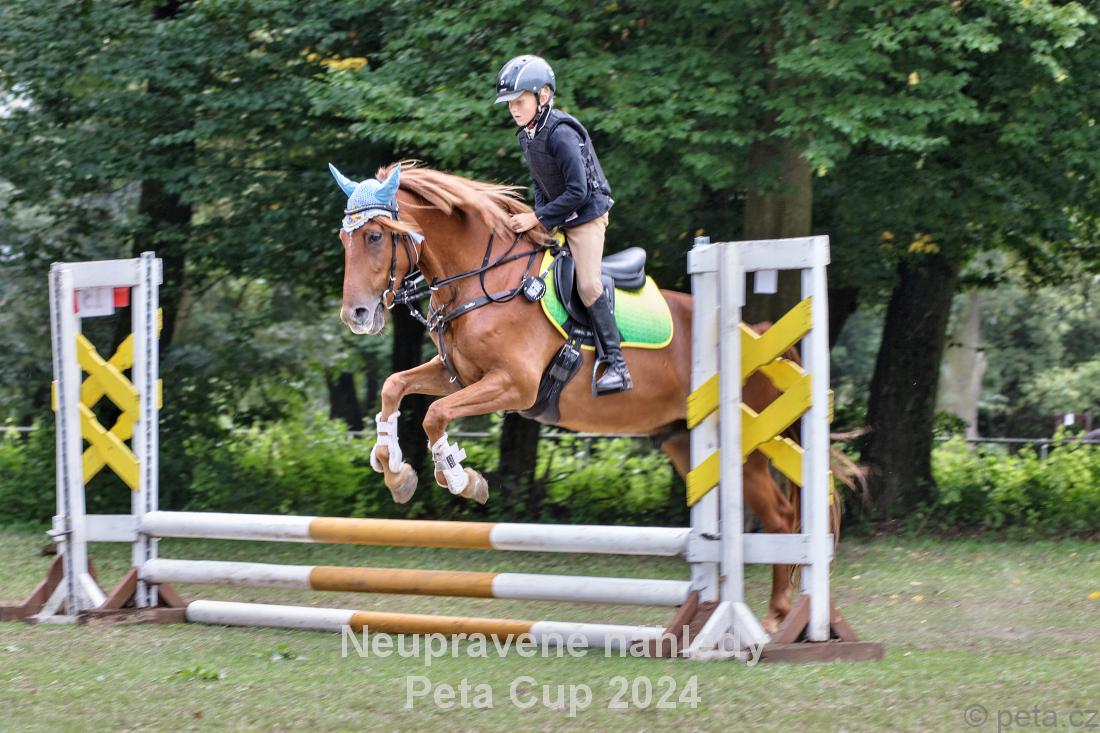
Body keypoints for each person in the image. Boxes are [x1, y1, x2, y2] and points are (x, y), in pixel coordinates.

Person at [495, 54, 632, 395]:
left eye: (519, 101)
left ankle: (617, 365)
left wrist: (537, 218)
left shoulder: (561, 133)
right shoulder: (527, 135)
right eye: (510, 103)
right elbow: (542, 184)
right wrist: (539, 218)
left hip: (586, 215)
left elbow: (578, 191)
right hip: (559, 215)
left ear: (543, 96)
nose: (513, 109)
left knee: (587, 285)